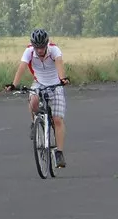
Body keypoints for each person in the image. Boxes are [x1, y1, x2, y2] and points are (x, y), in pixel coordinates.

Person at [6, 28, 71, 168]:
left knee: (57, 119)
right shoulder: (29, 51)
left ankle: (59, 153)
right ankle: (34, 122)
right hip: (39, 83)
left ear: (46, 44)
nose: (40, 50)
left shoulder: (54, 50)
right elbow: (22, 67)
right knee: (33, 100)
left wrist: (62, 79)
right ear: (33, 45)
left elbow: (59, 64)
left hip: (55, 84)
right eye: (37, 47)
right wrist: (13, 85)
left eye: (42, 47)